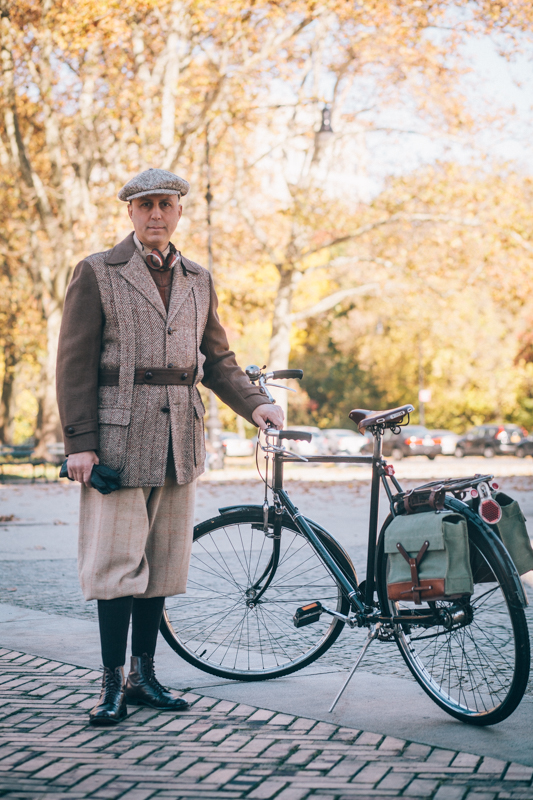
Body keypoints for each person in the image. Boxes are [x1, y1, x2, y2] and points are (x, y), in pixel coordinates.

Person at [56, 168, 284, 726]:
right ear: (130, 213)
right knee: (115, 567)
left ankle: (143, 677)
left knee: (160, 567)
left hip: (180, 439)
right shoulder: (97, 272)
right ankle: (110, 684)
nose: (156, 214)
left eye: (166, 204)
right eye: (145, 205)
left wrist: (256, 403)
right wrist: (80, 444)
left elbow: (219, 360)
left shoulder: (198, 278)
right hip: (116, 442)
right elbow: (73, 365)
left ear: (180, 211)